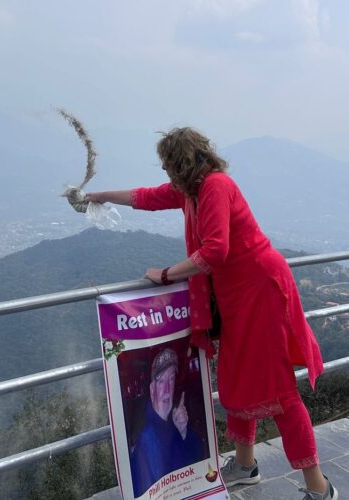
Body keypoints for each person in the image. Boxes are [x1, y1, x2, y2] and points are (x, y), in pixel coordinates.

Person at [85, 127, 338, 500]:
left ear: (182, 163)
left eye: (168, 164)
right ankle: (246, 466)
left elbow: (217, 250)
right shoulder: (190, 191)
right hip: (236, 297)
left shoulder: (215, 187)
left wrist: (167, 274)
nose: (165, 171)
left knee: (280, 390)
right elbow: (148, 197)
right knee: (237, 380)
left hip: (261, 292)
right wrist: (101, 196)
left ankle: (320, 488)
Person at [130, 348, 205, 497]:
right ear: (152, 389)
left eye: (171, 379)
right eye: (161, 381)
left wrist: (184, 432)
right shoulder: (147, 437)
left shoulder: (173, 419)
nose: (167, 389)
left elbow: (200, 458)